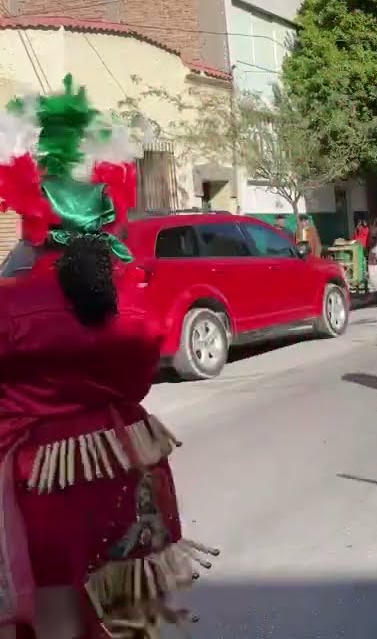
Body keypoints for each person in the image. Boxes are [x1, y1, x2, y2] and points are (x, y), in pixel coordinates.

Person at [0, 76, 216, 638]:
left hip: (44, 474)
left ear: (35, 224)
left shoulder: (13, 303)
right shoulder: (131, 297)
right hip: (127, 457)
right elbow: (140, 374)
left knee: (55, 606)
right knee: (129, 599)